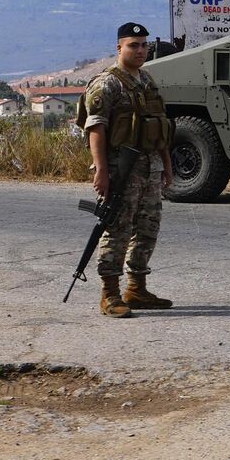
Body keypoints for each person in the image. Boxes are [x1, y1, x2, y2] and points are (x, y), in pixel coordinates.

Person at [76, 22, 177, 319]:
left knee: (147, 228)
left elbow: (159, 127)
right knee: (116, 229)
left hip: (150, 167)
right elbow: (95, 127)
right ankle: (109, 294)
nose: (141, 50)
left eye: (144, 45)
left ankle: (137, 288)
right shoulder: (107, 83)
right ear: (119, 48)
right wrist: (101, 170)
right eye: (134, 45)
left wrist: (167, 165)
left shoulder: (146, 80)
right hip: (122, 169)